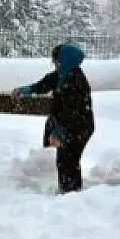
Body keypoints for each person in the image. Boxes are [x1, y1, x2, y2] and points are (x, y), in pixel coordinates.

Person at [14, 43, 95, 194]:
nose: (55, 63)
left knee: (69, 160)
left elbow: (73, 111)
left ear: (66, 60)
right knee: (64, 160)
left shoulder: (76, 81)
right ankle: (69, 192)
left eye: (57, 60)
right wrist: (28, 90)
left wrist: (60, 132)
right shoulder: (61, 75)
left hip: (79, 127)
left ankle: (71, 194)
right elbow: (45, 84)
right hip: (69, 125)